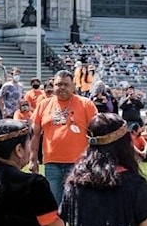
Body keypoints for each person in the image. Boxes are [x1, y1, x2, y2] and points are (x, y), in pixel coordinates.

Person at [28, 70, 98, 204]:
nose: (62, 88)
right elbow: (35, 134)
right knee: (55, 207)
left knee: (78, 205)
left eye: (66, 84)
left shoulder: (86, 104)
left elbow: (96, 133)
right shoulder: (43, 105)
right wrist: (33, 159)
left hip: (79, 164)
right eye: (58, 84)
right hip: (52, 163)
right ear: (53, 86)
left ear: (73, 86)